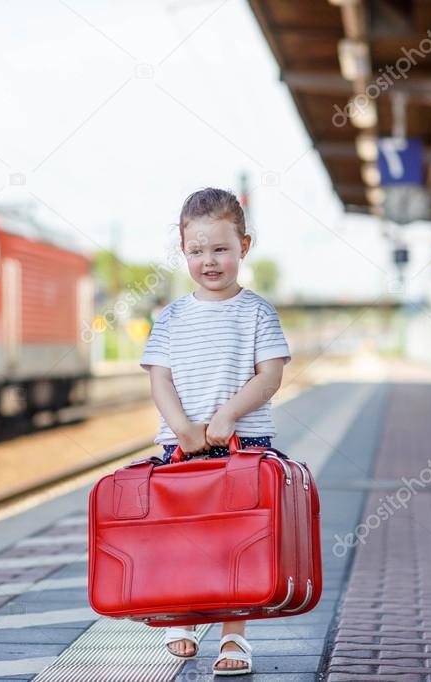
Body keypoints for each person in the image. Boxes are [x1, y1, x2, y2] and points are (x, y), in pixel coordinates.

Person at [138, 187, 291, 676]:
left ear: (244, 246)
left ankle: (233, 635)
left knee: (237, 540)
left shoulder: (257, 312)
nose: (209, 261)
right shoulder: (172, 317)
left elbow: (270, 374)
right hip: (182, 447)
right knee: (183, 534)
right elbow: (159, 375)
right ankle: (183, 615)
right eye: (197, 251)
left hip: (245, 446)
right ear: (183, 251)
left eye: (221, 249)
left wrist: (227, 416)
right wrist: (182, 427)